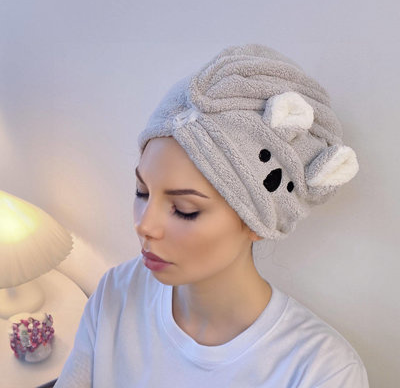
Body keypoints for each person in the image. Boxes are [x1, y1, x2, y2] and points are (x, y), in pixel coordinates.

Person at [55, 44, 369, 387]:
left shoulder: (320, 371)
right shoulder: (118, 291)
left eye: (184, 210)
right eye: (142, 192)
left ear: (257, 222)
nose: (144, 225)